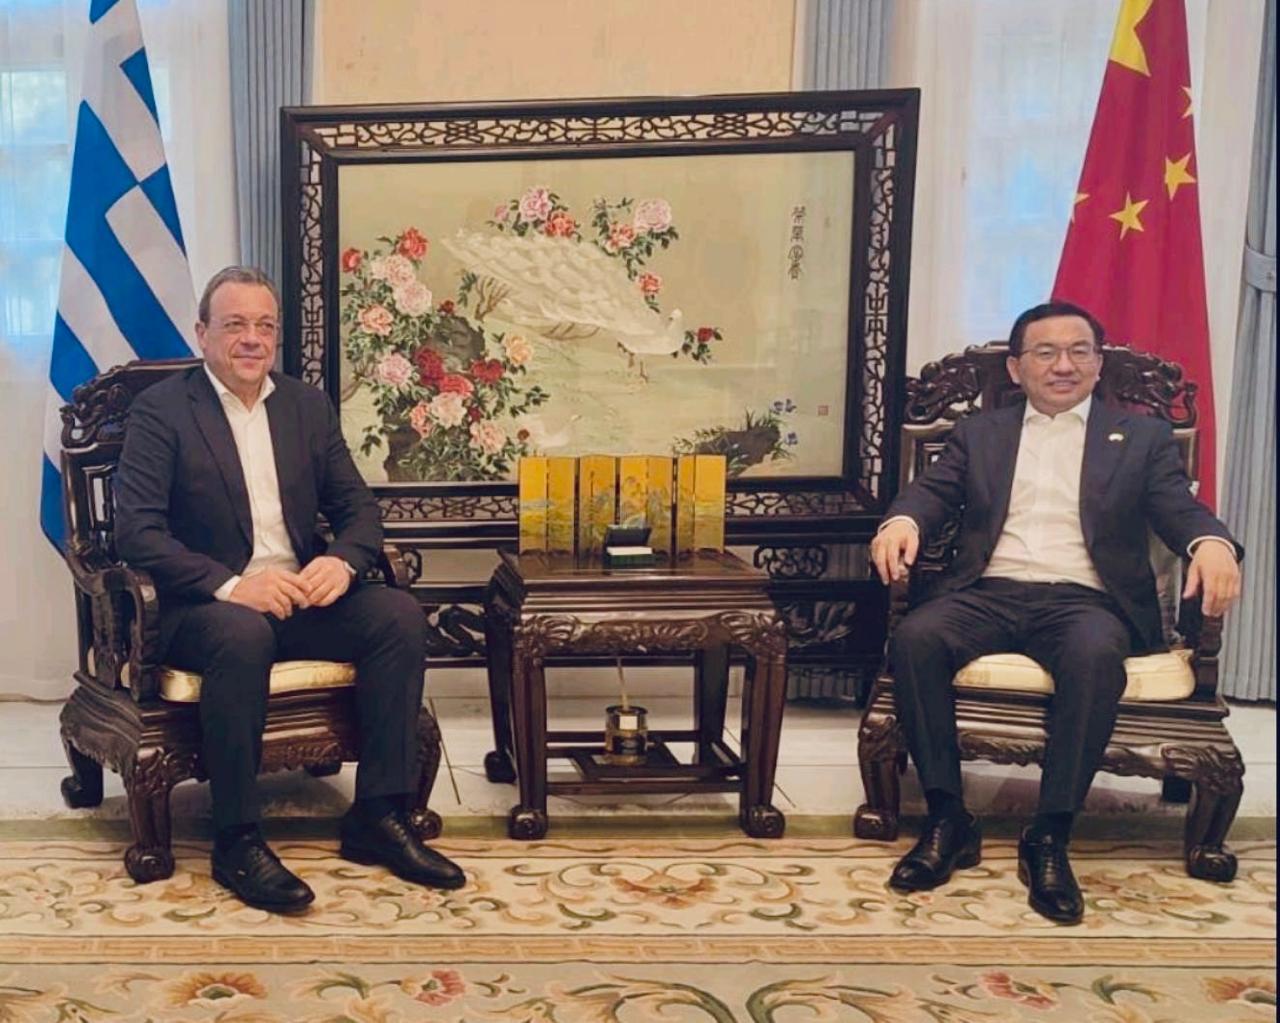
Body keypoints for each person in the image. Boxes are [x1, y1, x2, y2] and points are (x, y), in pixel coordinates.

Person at [869, 300, 1241, 925]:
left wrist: (1212, 543)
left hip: (1084, 600)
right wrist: (902, 521)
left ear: (1098, 364)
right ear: (1017, 369)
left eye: (1079, 352)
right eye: (1046, 353)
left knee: (1095, 656)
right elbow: (931, 492)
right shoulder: (981, 433)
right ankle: (947, 818)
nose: (1063, 365)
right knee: (916, 638)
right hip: (988, 592)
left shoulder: (1141, 439)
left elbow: (1179, 509)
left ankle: (1049, 832)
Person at [114, 266, 465, 913]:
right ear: (202, 333)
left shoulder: (305, 407)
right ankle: (238, 839)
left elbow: (359, 509)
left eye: (264, 325)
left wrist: (342, 562)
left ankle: (379, 815)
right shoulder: (162, 412)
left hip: (297, 598)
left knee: (396, 614)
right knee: (243, 632)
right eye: (235, 324)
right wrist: (231, 585)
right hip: (204, 610)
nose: (252, 338)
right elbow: (137, 533)